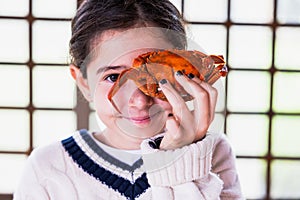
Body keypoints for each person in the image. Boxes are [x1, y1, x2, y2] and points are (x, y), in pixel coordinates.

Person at [14, 0, 243, 199]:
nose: (140, 101)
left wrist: (181, 155)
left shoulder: (212, 152)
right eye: (113, 77)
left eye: (156, 74)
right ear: (83, 82)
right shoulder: (48, 168)